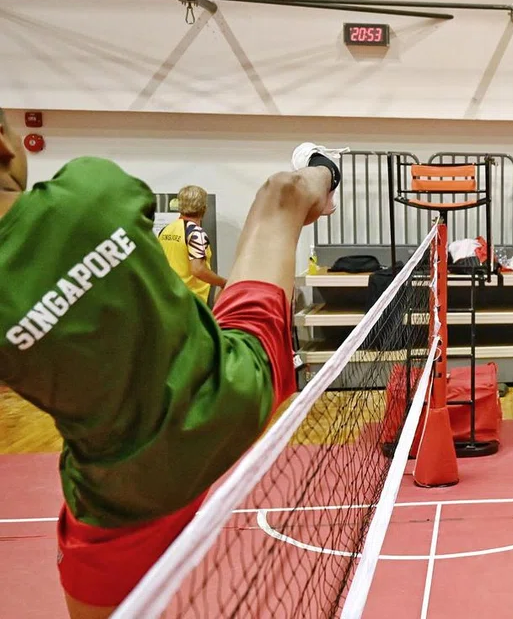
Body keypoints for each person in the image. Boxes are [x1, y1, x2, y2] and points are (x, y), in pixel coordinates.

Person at [0, 106, 344, 618]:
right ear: (6, 148)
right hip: (234, 386)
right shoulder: (92, 186)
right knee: (281, 195)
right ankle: (323, 168)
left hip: (119, 490)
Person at [157, 184, 227, 305]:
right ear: (204, 208)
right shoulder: (195, 233)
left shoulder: (165, 230)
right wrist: (223, 282)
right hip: (191, 302)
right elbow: (198, 269)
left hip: (169, 297)